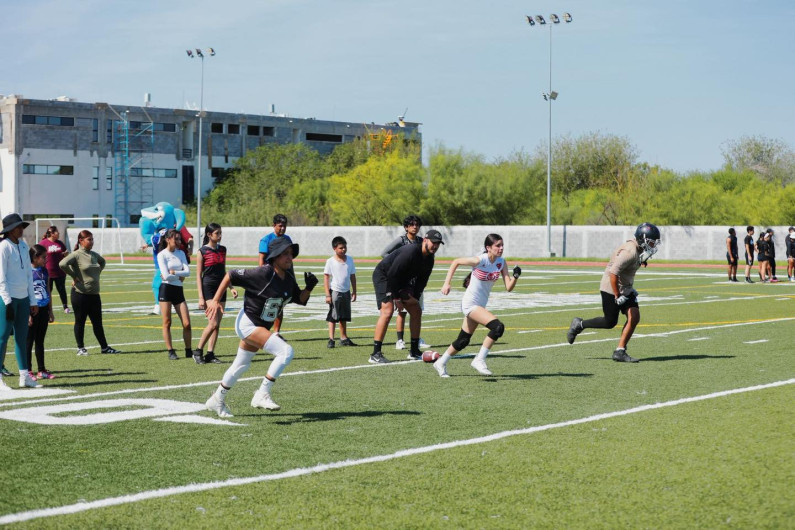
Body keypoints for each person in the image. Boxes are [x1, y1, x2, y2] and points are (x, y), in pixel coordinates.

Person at [204, 236, 318, 417]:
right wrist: (215, 300)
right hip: (248, 323)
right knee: (286, 352)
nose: (290, 258)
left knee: (240, 366)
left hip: (259, 324)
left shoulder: (287, 277)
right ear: (274, 256)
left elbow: (300, 299)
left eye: (291, 254)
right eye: (285, 254)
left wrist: (309, 287)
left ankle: (217, 399)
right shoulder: (263, 273)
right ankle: (262, 393)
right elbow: (231, 275)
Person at [566, 222, 662, 363]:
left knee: (634, 316)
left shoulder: (638, 248)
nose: (653, 246)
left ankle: (620, 351)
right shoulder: (629, 252)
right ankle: (579, 324)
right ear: (642, 239)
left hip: (625, 287)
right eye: (651, 242)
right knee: (609, 322)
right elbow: (613, 273)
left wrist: (641, 261)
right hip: (611, 287)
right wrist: (617, 295)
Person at [433, 234, 521, 377]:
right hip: (470, 304)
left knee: (463, 340)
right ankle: (479, 360)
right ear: (488, 248)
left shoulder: (501, 262)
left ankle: (440, 362)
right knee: (498, 327)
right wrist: (447, 283)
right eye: (497, 245)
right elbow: (456, 262)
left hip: (480, 305)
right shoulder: (480, 260)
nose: (501, 248)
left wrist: (516, 276)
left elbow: (508, 287)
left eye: (502, 245)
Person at [370, 229, 444, 364]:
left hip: (401, 280)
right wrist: (397, 298)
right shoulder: (410, 251)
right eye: (433, 242)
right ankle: (375, 354)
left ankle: (414, 351)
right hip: (385, 276)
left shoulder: (429, 259)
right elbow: (392, 274)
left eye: (438, 244)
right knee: (388, 311)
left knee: (416, 310)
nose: (436, 246)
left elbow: (422, 281)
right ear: (425, 240)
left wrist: (415, 297)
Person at [59, 230, 121, 356]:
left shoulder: (93, 254)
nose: (91, 242)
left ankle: (104, 347)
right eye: (89, 239)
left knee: (98, 323)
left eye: (92, 239)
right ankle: (80, 348)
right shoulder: (76, 254)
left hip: (94, 295)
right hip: (80, 294)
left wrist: (97, 273)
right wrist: (74, 276)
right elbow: (62, 264)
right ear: (81, 241)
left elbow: (102, 262)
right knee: (80, 321)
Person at [0, 213, 41, 389]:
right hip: (6, 299)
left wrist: (33, 301)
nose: (21, 229)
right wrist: (7, 302)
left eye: (21, 226)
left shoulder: (24, 246)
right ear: (9, 230)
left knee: (22, 338)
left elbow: (28, 276)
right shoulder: (3, 247)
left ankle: (25, 376)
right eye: (18, 227)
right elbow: (0, 277)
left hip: (24, 299)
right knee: (2, 338)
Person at [381, 215, 430, 350]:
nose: (415, 227)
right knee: (402, 311)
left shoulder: (422, 241)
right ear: (406, 227)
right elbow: (384, 253)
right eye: (412, 224)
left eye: (417, 225)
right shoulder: (401, 240)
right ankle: (400, 340)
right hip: (403, 282)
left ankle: (416, 339)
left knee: (417, 311)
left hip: (416, 281)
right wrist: (397, 262)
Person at [194, 223, 237, 363]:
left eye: (220, 233)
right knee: (212, 323)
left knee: (217, 324)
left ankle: (210, 353)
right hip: (209, 289)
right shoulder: (202, 252)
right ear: (209, 235)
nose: (220, 235)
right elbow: (198, 275)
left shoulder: (223, 250)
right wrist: (201, 297)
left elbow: (224, 271)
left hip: (221, 288)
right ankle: (198, 351)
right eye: (217, 233)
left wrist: (230, 287)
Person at [156, 229, 194, 361]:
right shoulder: (162, 255)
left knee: (187, 323)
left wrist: (174, 273)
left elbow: (188, 272)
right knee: (167, 322)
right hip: (166, 289)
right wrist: (178, 274)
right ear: (168, 239)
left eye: (179, 239)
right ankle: (171, 350)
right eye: (176, 239)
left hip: (178, 290)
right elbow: (165, 276)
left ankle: (188, 350)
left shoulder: (181, 253)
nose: (178, 241)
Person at [257, 214, 290, 335]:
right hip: (269, 277)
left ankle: (276, 333)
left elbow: (289, 259)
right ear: (274, 225)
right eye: (280, 226)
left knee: (280, 304)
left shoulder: (287, 239)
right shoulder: (266, 240)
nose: (282, 228)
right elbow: (261, 260)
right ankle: (262, 332)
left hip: (283, 276)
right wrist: (262, 277)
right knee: (266, 305)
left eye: (284, 226)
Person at [27, 245, 55, 380]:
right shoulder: (26, 271)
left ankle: (41, 370)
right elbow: (24, 293)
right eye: (44, 257)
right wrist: (27, 314)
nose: (46, 259)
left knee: (40, 341)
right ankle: (28, 371)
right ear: (35, 257)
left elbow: (48, 290)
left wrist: (50, 310)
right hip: (32, 310)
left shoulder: (44, 270)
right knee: (29, 341)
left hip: (43, 309)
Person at [323, 236, 357, 348]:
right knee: (333, 316)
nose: (343, 250)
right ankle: (331, 339)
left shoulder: (350, 260)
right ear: (334, 248)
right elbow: (326, 277)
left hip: (346, 291)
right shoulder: (330, 261)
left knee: (344, 316)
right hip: (335, 291)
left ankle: (343, 338)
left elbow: (352, 276)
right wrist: (328, 294)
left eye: (345, 247)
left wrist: (354, 291)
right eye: (341, 248)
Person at [39, 225, 70, 313]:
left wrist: (65, 255)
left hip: (60, 272)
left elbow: (63, 255)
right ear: (52, 234)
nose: (58, 233)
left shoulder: (60, 243)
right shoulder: (43, 243)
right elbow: (38, 255)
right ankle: (47, 308)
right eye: (57, 231)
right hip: (47, 272)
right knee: (48, 291)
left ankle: (65, 307)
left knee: (61, 290)